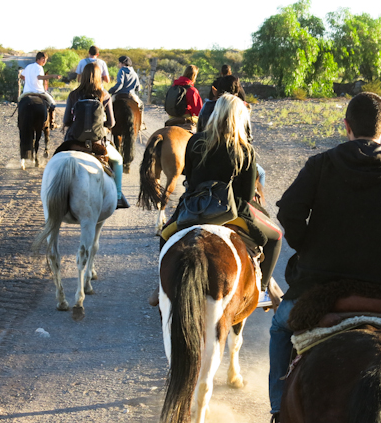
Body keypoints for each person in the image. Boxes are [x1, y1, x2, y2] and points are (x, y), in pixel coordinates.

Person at [268, 92, 381, 422]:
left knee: (281, 328)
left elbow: (290, 213)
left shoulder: (319, 165)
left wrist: (310, 249)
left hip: (322, 288)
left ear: (347, 126)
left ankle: (277, 410)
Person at [158, 94, 281, 307]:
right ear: (239, 118)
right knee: (276, 237)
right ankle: (262, 291)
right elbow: (245, 195)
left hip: (195, 206)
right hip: (231, 210)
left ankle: (160, 287)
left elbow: (190, 179)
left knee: (165, 236)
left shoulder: (196, 141)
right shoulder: (244, 150)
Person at [63, 63, 130, 209]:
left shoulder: (73, 94)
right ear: (99, 77)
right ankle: (118, 197)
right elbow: (111, 123)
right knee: (118, 160)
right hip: (96, 142)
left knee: (58, 161)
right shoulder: (104, 95)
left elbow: (66, 121)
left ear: (83, 76)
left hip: (74, 141)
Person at [198, 75, 266, 188]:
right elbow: (248, 138)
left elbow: (199, 131)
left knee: (190, 184)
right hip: (234, 157)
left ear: (216, 91)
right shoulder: (242, 109)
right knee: (261, 173)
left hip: (206, 157)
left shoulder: (206, 107)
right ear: (237, 92)